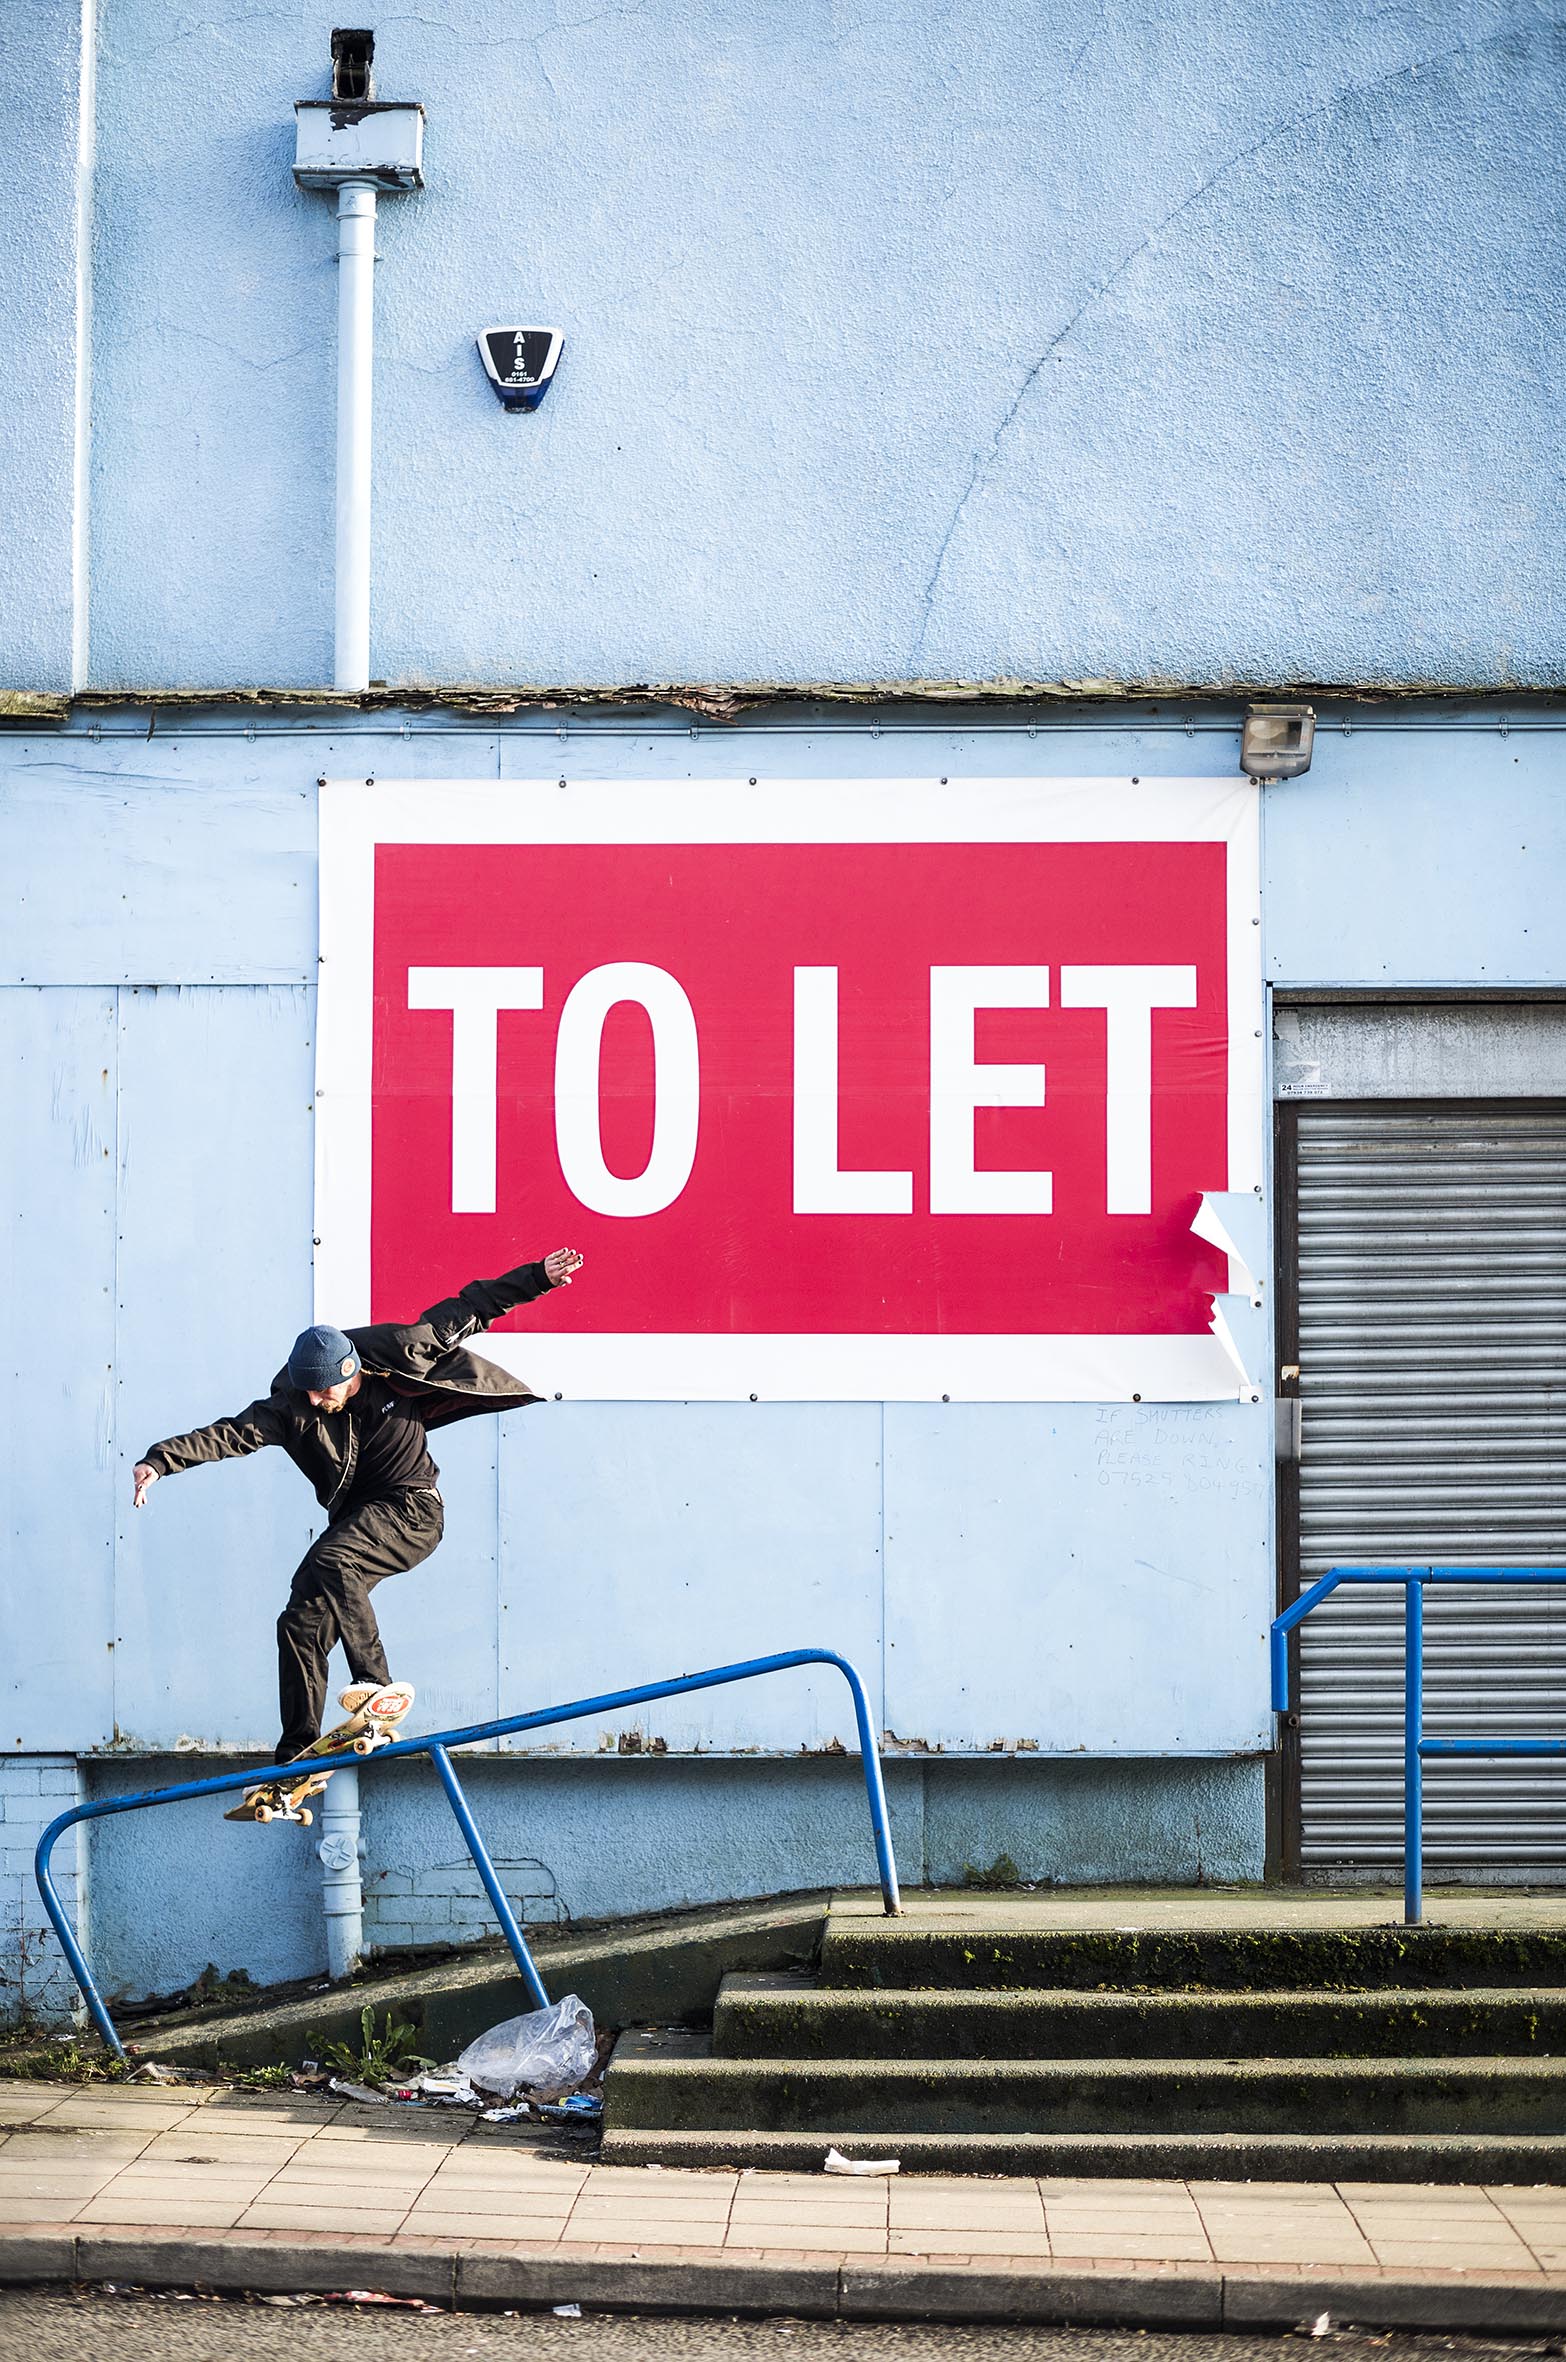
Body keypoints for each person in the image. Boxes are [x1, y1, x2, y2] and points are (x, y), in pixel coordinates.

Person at [132, 1250, 584, 1772]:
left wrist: (537, 1279)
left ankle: (375, 1683)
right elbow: (232, 1433)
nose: (317, 1401)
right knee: (298, 1623)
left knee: (333, 1561)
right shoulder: (292, 1407)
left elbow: (471, 1307)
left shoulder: (401, 1351)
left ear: (351, 1371)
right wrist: (160, 1462)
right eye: (308, 1392)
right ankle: (297, 1757)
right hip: (360, 1522)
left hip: (414, 1511)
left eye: (326, 1391)